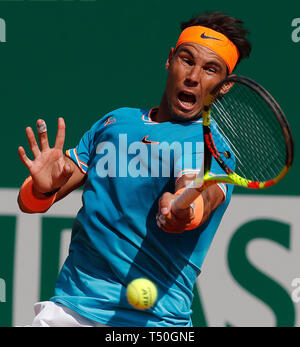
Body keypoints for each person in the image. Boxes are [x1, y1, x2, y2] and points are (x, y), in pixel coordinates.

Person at [17, 11, 251, 327]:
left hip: (153, 323)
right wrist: (43, 187)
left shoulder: (208, 145)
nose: (193, 76)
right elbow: (30, 204)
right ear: (170, 59)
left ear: (224, 86)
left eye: (211, 69)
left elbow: (202, 196)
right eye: (187, 60)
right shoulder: (114, 123)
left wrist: (185, 210)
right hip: (70, 312)